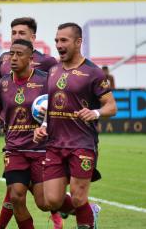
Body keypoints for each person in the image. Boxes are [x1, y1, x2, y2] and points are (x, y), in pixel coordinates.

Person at [34, 22, 117, 229]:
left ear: (78, 42)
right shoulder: (53, 71)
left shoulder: (93, 72)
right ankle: (91, 210)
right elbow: (49, 105)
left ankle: (87, 216)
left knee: (79, 199)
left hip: (82, 144)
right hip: (54, 144)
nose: (58, 45)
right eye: (56, 40)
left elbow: (111, 107)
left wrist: (95, 112)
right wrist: (42, 125)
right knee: (51, 201)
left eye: (64, 40)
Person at [0, 17, 62, 229]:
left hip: (40, 141)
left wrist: (46, 123)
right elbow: (5, 89)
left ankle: (69, 209)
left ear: (33, 38)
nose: (17, 37)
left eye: (22, 33)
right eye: (14, 33)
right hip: (13, 137)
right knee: (16, 192)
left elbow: (59, 99)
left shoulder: (48, 64)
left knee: (36, 198)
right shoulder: (4, 60)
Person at [0, 39, 50, 229]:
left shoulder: (45, 81)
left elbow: (59, 111)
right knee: (16, 196)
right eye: (11, 53)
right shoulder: (3, 83)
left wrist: (45, 125)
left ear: (31, 58)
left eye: (19, 54)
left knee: (45, 203)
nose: (13, 58)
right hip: (14, 149)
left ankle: (85, 209)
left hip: (40, 149)